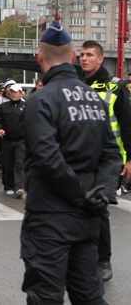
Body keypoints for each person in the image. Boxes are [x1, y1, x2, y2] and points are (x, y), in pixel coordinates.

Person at [20, 21, 122, 305]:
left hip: (50, 218)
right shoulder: (95, 99)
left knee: (45, 297)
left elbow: (48, 158)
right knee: (89, 296)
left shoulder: (40, 101)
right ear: (74, 55)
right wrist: (100, 193)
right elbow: (111, 154)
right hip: (87, 219)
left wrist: (79, 196)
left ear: (40, 57)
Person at [79, 39, 131, 281]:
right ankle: (83, 256)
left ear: (100, 59)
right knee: (79, 207)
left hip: (107, 158)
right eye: (81, 54)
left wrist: (130, 158)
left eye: (89, 54)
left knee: (99, 209)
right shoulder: (76, 85)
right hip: (79, 156)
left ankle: (103, 260)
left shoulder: (116, 86)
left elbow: (127, 125)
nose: (84, 58)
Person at [0, 84, 26, 197]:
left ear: (21, 93)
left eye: (15, 92)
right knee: (8, 164)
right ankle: (9, 186)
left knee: (19, 163)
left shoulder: (26, 106)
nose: (13, 93)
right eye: (11, 91)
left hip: (21, 140)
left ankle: (19, 187)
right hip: (7, 139)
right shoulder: (3, 106)